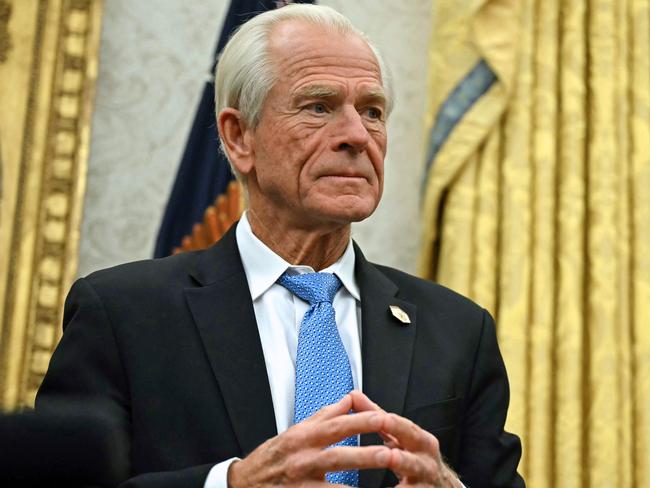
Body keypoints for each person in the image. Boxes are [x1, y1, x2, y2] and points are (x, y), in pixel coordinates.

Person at [37, 4, 525, 488]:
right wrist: (231, 484)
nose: (357, 135)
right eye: (319, 106)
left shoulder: (458, 331)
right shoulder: (124, 314)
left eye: (372, 111)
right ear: (238, 137)